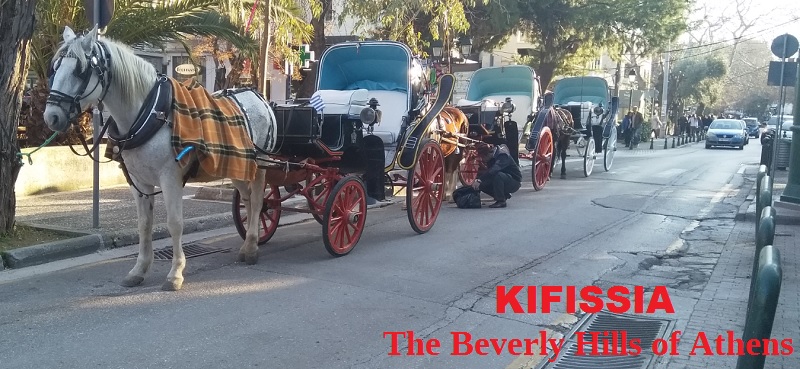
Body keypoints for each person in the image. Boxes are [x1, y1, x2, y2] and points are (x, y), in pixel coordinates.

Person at [472, 143, 521, 208]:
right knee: (482, 184)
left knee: (498, 175)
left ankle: (501, 201)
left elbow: (494, 170)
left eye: (483, 157)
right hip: (501, 179)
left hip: (514, 181)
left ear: (489, 154)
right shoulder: (491, 158)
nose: (482, 159)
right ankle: (504, 195)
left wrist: (480, 180)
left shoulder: (503, 155)